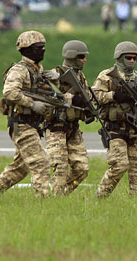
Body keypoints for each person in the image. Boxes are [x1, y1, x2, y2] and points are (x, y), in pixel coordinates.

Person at [0, 31, 54, 198]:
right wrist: (32, 104)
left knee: (20, 168)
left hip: (32, 124)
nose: (42, 50)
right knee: (41, 163)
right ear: (27, 49)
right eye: (38, 47)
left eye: (43, 47)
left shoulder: (37, 70)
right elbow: (9, 92)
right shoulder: (19, 70)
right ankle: (43, 203)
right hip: (21, 124)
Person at [93, 41, 137, 197]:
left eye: (134, 58)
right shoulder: (107, 75)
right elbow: (95, 96)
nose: (132, 61)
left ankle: (136, 203)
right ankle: (101, 196)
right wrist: (114, 95)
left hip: (134, 128)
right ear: (119, 57)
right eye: (128, 58)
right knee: (119, 165)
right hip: (115, 128)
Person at [44, 40, 91, 196]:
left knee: (82, 169)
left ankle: (58, 195)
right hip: (56, 126)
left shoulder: (80, 76)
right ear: (72, 56)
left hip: (73, 128)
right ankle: (53, 200)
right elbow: (48, 97)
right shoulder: (54, 74)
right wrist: (71, 99)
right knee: (60, 167)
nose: (84, 60)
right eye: (82, 56)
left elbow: (87, 96)